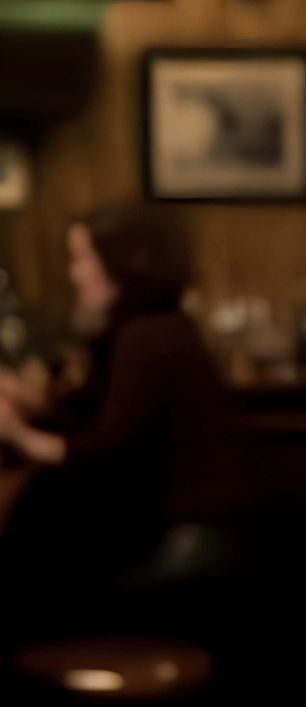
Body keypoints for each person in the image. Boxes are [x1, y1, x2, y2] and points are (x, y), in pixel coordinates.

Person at [0, 202, 224, 625]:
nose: (74, 273)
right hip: (155, 523)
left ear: (125, 263)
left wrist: (18, 435)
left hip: (162, 533)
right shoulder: (155, 326)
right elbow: (90, 415)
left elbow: (106, 448)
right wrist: (27, 404)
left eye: (82, 258)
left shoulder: (145, 338)